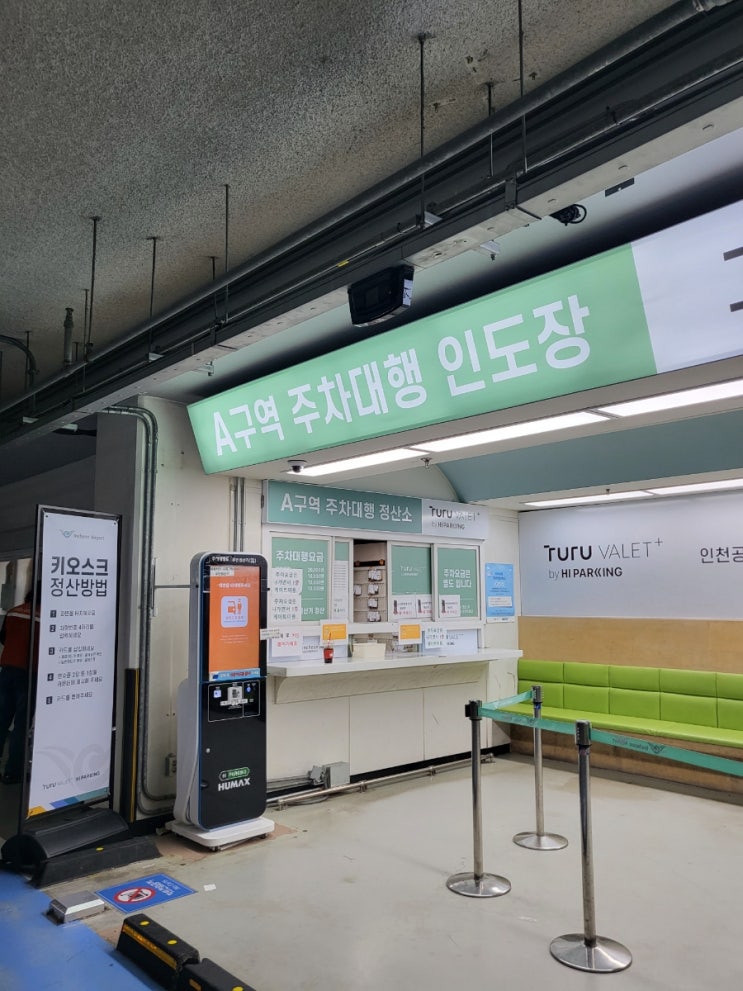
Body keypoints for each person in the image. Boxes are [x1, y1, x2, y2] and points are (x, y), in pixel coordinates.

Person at [0, 587, 39, 785]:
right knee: (21, 725)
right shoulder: (47, 616)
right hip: (28, 673)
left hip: (7, 670)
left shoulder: (13, 611)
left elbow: (3, 637)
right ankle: (12, 772)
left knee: (1, 719)